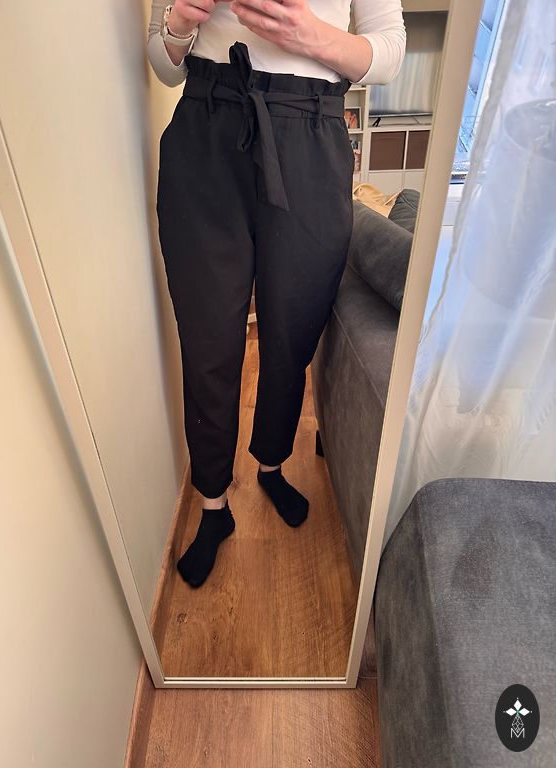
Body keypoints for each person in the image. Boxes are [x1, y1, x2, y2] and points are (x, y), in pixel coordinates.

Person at [147, 0, 406, 588]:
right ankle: (212, 502)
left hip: (311, 133)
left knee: (293, 328)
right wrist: (179, 23)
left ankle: (271, 462)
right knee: (208, 338)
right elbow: (164, 66)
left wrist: (309, 34)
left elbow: (389, 53)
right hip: (206, 127)